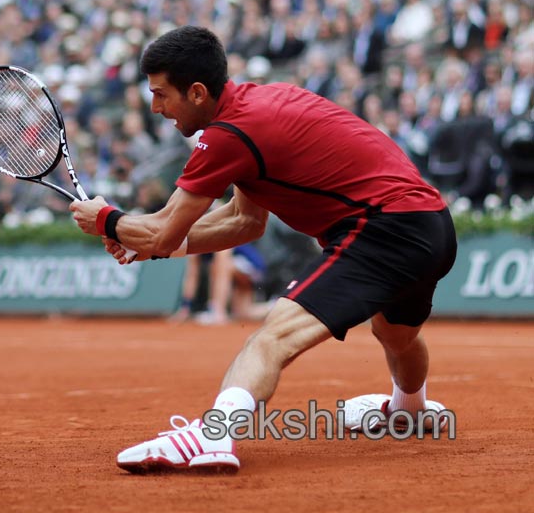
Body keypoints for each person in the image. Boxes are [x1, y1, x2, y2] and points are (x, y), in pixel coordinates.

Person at [69, 26, 458, 473]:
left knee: (271, 338)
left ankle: (215, 436)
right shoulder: (257, 104)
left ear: (197, 93)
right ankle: (410, 409)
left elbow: (161, 230)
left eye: (161, 95)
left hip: (384, 229)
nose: (156, 108)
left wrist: (106, 219)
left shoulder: (229, 134)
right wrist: (148, 245)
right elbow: (244, 221)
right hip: (432, 226)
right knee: (396, 334)